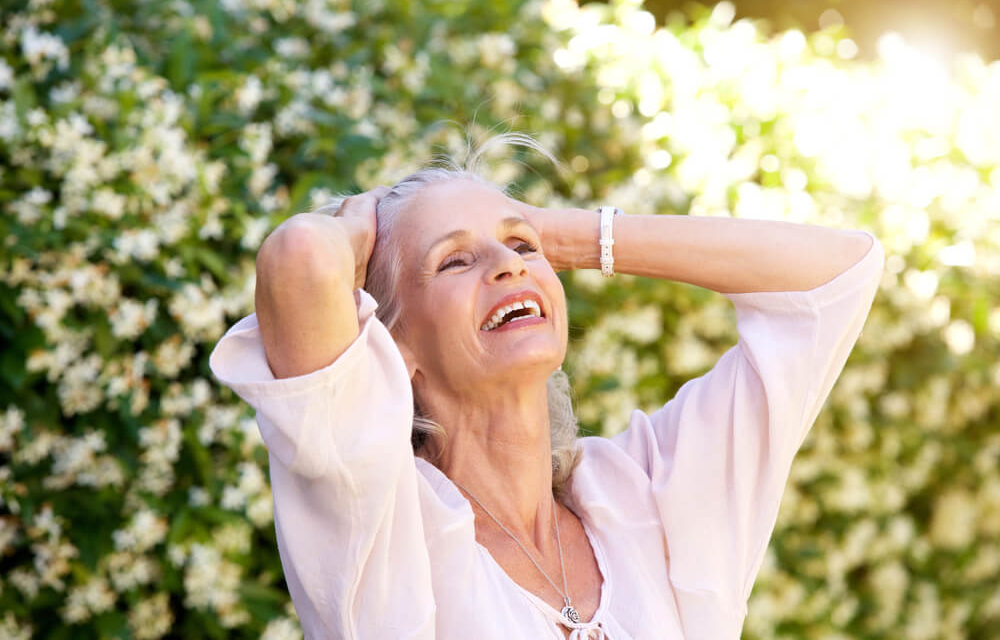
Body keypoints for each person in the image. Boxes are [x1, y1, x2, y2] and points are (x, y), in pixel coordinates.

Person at [210, 134, 884, 639]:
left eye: (521, 248)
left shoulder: (647, 495)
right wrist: (358, 226)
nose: (507, 265)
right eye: (456, 260)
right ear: (395, 347)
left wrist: (569, 236)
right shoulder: (382, 530)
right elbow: (300, 260)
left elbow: (835, 276)